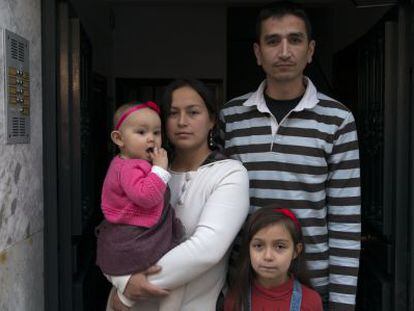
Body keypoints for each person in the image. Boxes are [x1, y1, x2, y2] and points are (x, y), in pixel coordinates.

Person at [219, 2, 361, 310]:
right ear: (257, 53)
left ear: (310, 50)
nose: (284, 51)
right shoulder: (231, 117)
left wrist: (342, 302)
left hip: (312, 283)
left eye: (295, 40)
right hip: (244, 284)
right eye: (273, 41)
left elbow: (345, 218)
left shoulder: (338, 119)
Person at [106, 79, 250, 311]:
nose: (183, 122)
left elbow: (206, 250)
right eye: (173, 114)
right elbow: (113, 230)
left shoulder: (229, 174)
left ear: (212, 120)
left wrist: (129, 290)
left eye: (193, 112)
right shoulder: (142, 173)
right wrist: (122, 281)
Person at [95, 101, 183, 308]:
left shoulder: (132, 162)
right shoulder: (128, 167)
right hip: (132, 233)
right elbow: (146, 197)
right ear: (119, 139)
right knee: (144, 257)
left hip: (137, 227)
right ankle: (125, 293)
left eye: (156, 132)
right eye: (141, 132)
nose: (151, 138)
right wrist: (161, 169)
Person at [224, 206, 323, 311]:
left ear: (296, 251)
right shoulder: (235, 300)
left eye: (280, 246)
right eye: (258, 246)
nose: (268, 256)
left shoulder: (310, 301)